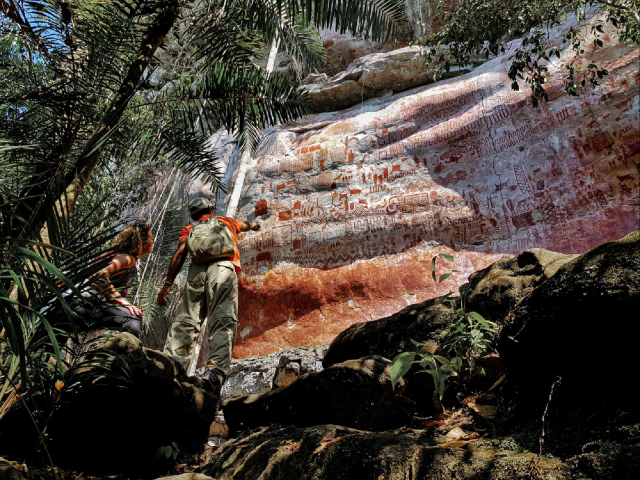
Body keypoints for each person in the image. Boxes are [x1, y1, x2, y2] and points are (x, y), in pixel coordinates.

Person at [156, 197, 260, 393]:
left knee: (186, 320)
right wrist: (254, 225)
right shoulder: (226, 221)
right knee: (222, 318)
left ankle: (172, 367)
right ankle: (215, 371)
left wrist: (168, 284)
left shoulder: (189, 229)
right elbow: (246, 225)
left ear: (194, 215)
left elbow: (180, 253)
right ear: (210, 210)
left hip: (196, 273)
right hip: (223, 268)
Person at [79, 222, 154, 337]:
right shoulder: (128, 259)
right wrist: (121, 300)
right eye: (151, 239)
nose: (153, 242)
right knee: (133, 319)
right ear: (142, 242)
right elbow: (99, 273)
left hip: (75, 299)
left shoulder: (115, 254)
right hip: (85, 301)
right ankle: (127, 354)